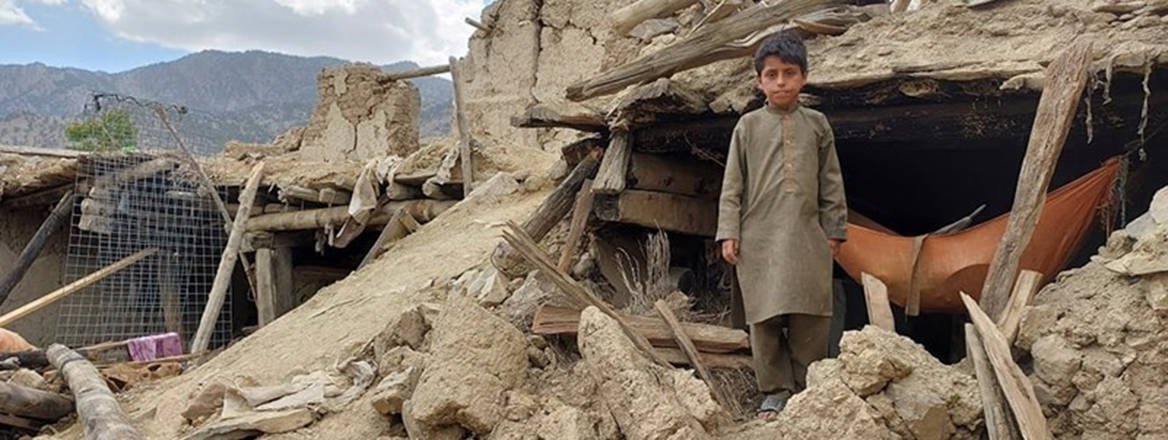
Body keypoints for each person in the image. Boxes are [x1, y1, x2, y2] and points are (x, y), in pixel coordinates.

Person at [715, 32, 847, 418]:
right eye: (771, 74)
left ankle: (808, 385)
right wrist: (729, 231)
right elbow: (732, 184)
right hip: (758, 236)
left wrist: (835, 228)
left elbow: (831, 180)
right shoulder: (748, 127)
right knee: (765, 313)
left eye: (789, 73)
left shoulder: (818, 124)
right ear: (760, 82)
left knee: (811, 310)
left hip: (808, 234)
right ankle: (774, 390)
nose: (781, 82)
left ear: (804, 77)